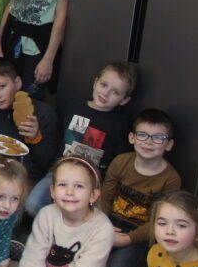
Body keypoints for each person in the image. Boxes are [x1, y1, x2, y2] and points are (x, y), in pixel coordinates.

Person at [25, 61, 136, 216]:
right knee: (32, 205)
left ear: (124, 100)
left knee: (81, 216)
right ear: (95, 82)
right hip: (59, 172)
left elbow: (118, 163)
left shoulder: (121, 124)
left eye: (115, 92)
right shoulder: (74, 107)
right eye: (104, 85)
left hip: (90, 182)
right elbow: (56, 142)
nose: (106, 93)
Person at [98, 108, 182, 267]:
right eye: (142, 135)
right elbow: (105, 197)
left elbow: (159, 220)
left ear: (168, 144)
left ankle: (147, 262)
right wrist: (103, 226)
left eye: (158, 137)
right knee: (73, 248)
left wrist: (126, 240)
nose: (149, 142)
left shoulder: (171, 179)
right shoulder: (121, 162)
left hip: (141, 230)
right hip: (110, 220)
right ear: (132, 138)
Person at [0, 60, 60, 186]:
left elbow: (49, 164)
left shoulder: (44, 113)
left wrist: (36, 138)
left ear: (17, 83)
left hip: (30, 179)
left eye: (2, 86)